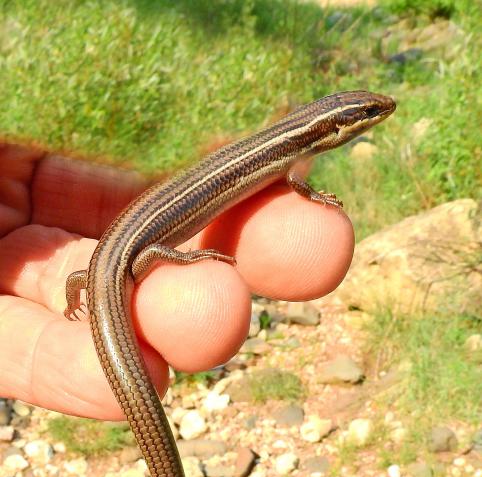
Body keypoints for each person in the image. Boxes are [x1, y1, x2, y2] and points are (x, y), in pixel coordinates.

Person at [0, 145, 355, 418]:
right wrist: (183, 256)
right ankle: (180, 258)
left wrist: (78, 299)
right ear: (336, 130)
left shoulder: (283, 150)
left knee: (100, 277)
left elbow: (82, 279)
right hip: (130, 257)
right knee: (153, 260)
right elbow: (294, 180)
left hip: (108, 262)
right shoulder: (292, 156)